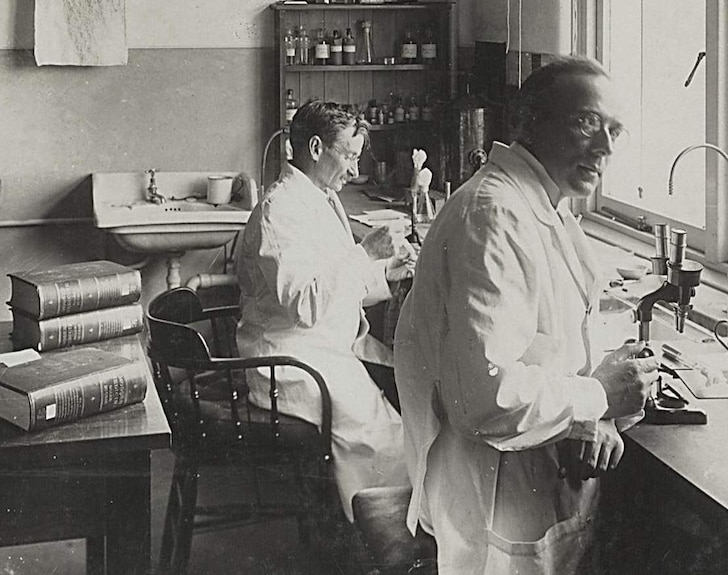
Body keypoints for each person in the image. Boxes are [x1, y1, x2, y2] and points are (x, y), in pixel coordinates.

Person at [393, 55, 659, 574]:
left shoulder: (546, 206)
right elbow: (485, 396)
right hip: (494, 497)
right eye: (586, 123)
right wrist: (599, 396)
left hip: (532, 480)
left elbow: (551, 341)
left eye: (615, 131)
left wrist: (597, 414)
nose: (604, 148)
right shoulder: (494, 217)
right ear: (528, 122)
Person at [235, 100, 414, 522]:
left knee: (399, 395)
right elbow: (308, 303)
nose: (354, 170)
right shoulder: (279, 212)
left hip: (320, 347)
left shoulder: (319, 199)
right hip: (291, 360)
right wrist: (364, 252)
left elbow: (333, 283)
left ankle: (372, 527)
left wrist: (385, 270)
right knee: (385, 438)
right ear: (316, 148)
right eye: (349, 156)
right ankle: (381, 537)